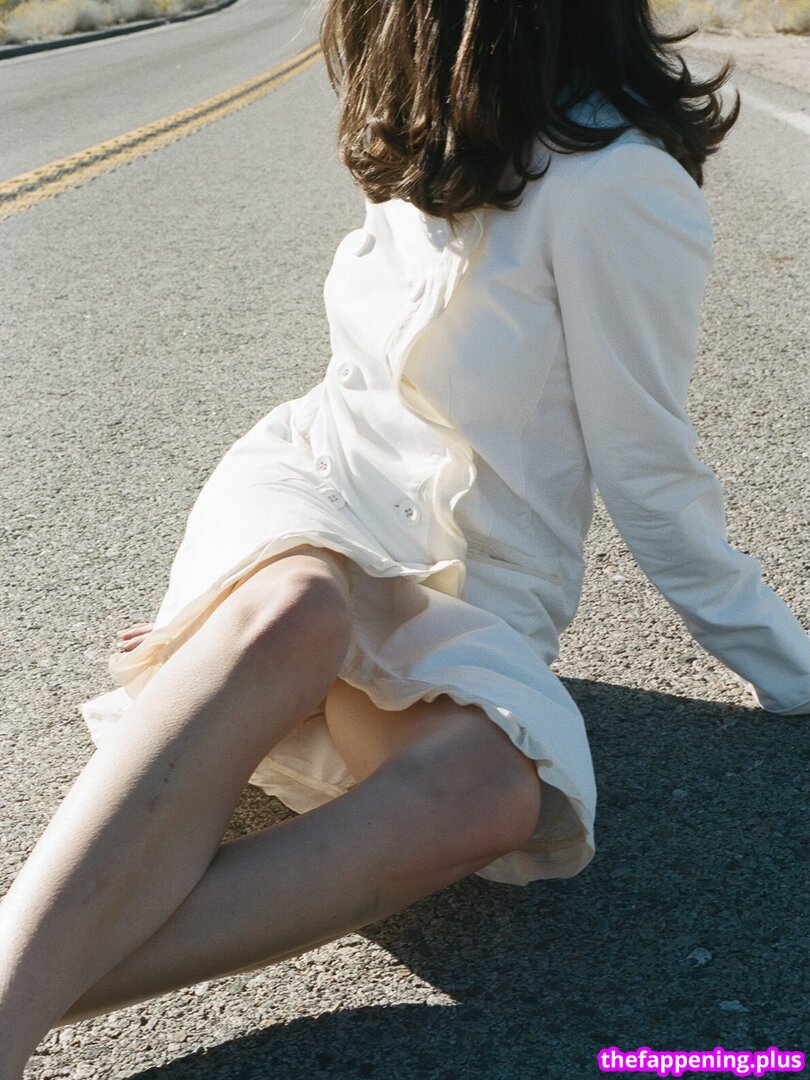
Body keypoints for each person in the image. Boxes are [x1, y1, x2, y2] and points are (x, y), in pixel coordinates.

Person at [2, 0, 808, 1074]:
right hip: (313, 491)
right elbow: (362, 385)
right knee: (296, 609)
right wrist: (232, 587)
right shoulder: (433, 130)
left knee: (490, 797)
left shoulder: (619, 185)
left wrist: (790, 668)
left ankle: (22, 977)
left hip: (467, 591)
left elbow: (651, 478)